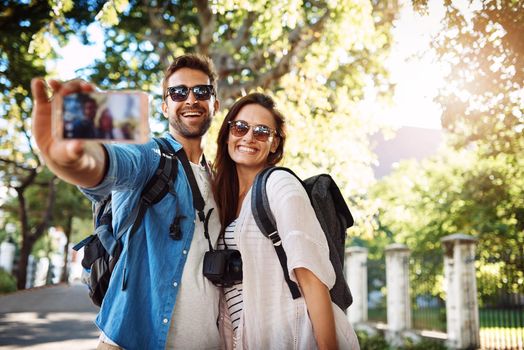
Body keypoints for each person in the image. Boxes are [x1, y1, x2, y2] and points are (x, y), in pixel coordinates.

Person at [31, 54, 223, 349]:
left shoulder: (221, 182)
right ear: (165, 106)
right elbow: (110, 164)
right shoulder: (152, 155)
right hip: (129, 341)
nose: (191, 99)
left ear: (215, 103)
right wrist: (75, 160)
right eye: (178, 92)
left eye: (202, 91)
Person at [212, 93, 360, 349]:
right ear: (227, 134)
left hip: (295, 336)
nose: (248, 137)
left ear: (275, 143)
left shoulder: (281, 185)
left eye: (261, 132)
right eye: (240, 127)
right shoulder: (220, 198)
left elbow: (312, 279)